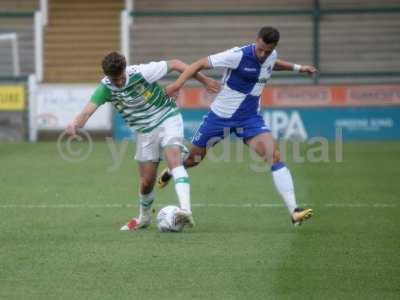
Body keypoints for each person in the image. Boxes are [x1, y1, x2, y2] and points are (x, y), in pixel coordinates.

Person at [157, 27, 317, 226]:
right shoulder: (237, 55)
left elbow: (271, 63)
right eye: (260, 49)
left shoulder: (270, 55)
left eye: (268, 51)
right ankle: (174, 169)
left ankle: (294, 211)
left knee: (274, 156)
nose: (263, 54)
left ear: (273, 47)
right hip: (220, 118)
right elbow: (199, 63)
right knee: (193, 160)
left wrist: (298, 68)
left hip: (249, 119)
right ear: (256, 40)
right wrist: (177, 85)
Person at [66, 52, 219, 230]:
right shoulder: (106, 88)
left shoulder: (141, 72)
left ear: (125, 69)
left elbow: (176, 63)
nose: (119, 82)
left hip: (166, 117)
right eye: (115, 79)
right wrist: (74, 124)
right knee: (147, 182)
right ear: (108, 76)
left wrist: (204, 80)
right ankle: (144, 219)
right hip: (144, 132)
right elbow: (86, 113)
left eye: (121, 77)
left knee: (174, 160)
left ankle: (185, 210)